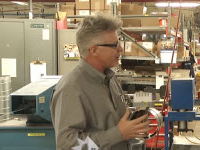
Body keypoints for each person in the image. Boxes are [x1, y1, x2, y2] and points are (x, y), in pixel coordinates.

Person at [50, 15, 151, 149]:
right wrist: (118, 134)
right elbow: (68, 145)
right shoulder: (71, 88)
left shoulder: (110, 78)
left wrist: (134, 122)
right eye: (114, 45)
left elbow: (113, 122)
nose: (120, 49)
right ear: (94, 50)